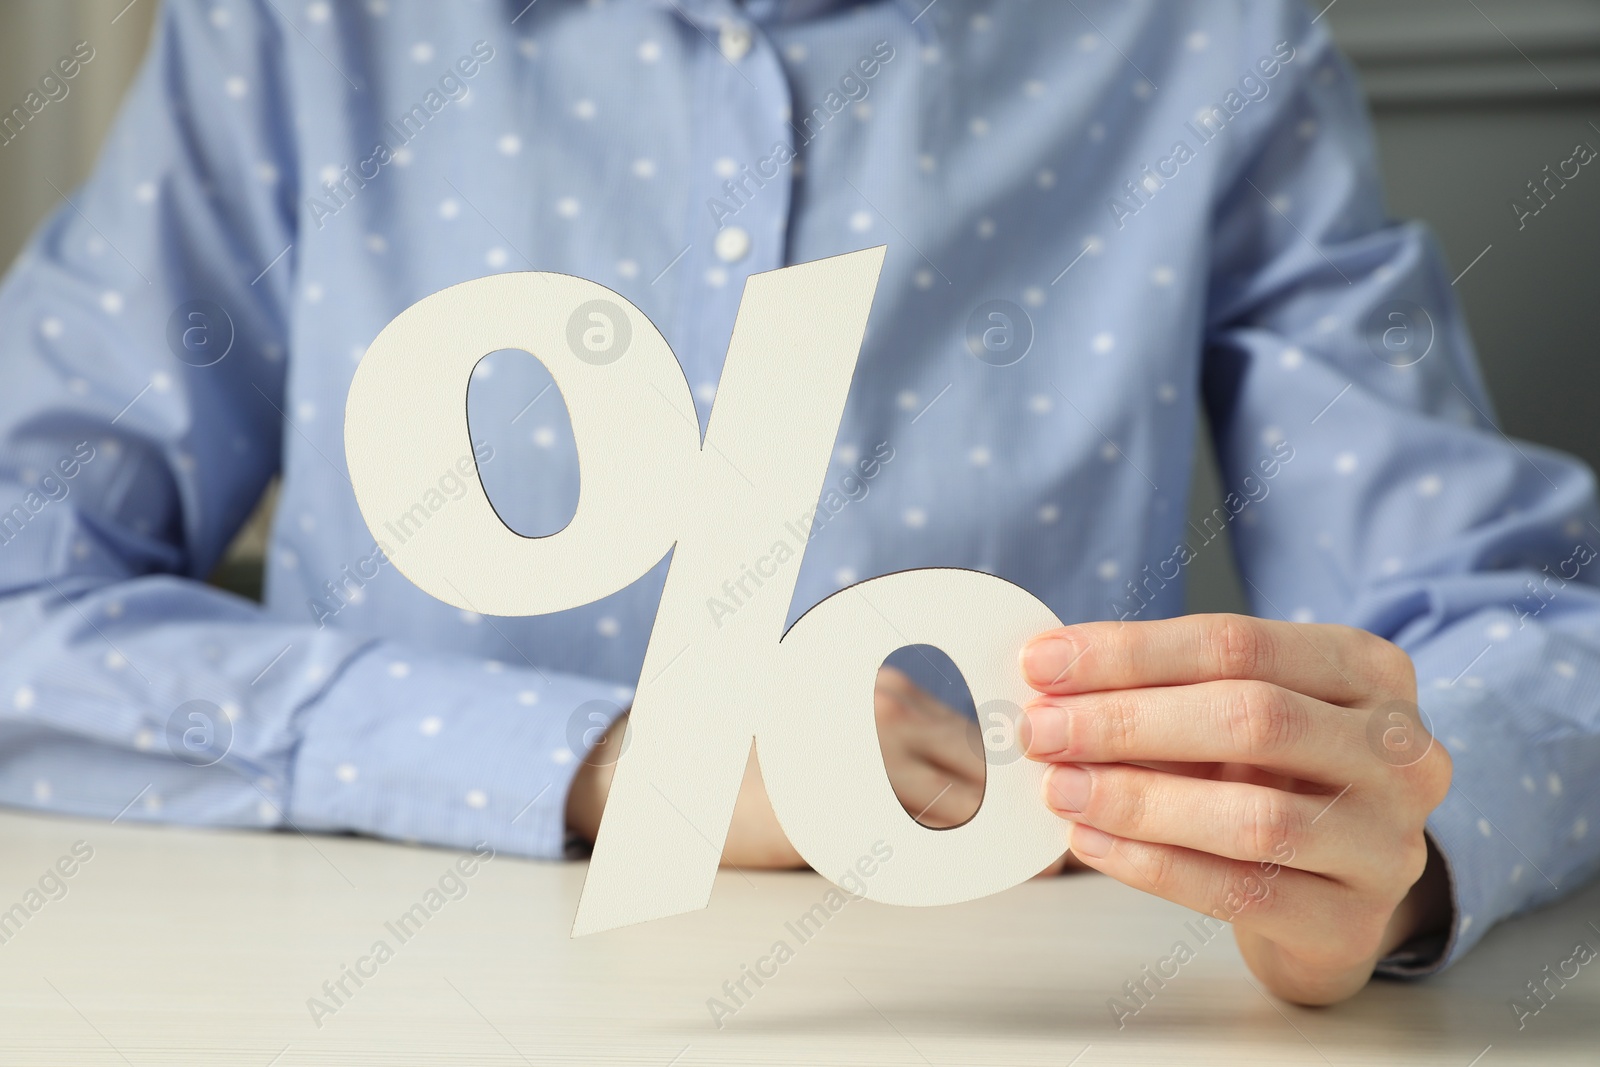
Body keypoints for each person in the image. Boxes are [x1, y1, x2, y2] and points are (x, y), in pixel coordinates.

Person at [0, 0, 1595, 1007]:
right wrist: (613, 765)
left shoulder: (1204, 41)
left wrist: (1398, 845)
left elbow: (1533, 635)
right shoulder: (292, 29)